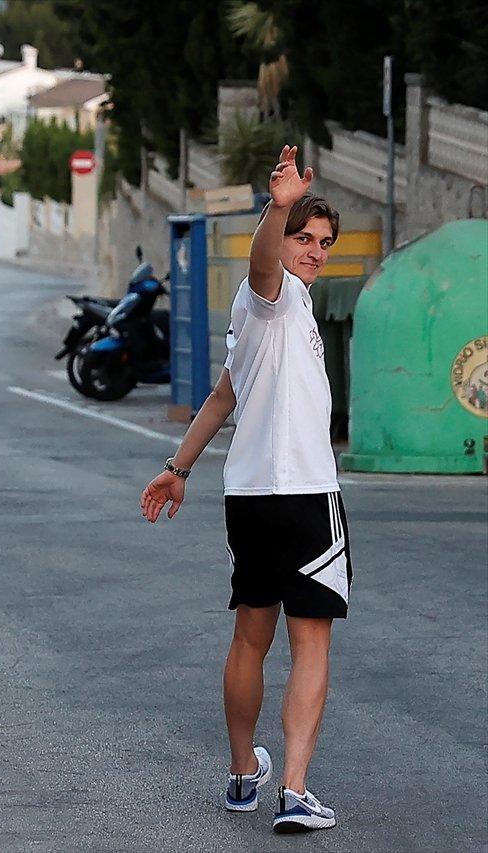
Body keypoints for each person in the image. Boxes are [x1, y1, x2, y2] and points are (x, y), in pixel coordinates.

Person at [140, 145, 349, 834]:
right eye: (304, 238)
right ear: (284, 237)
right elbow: (263, 262)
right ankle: (291, 787)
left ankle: (242, 772)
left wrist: (179, 465)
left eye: (323, 242)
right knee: (308, 641)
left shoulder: (266, 315)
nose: (313, 251)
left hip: (251, 498)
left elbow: (223, 394)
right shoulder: (273, 293)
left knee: (250, 639)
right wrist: (278, 205)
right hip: (305, 496)